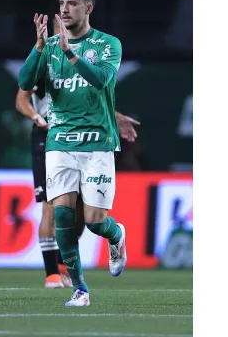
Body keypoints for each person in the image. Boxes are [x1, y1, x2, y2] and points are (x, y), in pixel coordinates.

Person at [19, 0, 128, 307]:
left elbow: (101, 80)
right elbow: (25, 82)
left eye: (73, 3)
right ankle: (80, 288)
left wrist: (70, 52)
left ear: (88, 8)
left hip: (97, 144)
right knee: (62, 216)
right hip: (59, 142)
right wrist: (39, 47)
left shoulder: (108, 44)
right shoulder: (50, 46)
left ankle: (116, 234)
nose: (64, 9)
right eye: (62, 3)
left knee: (94, 222)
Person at [15, 82, 140, 289]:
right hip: (48, 133)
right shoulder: (43, 59)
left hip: (83, 132)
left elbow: (92, 98)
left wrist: (116, 118)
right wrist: (36, 117)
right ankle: (52, 275)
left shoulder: (81, 62)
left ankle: (64, 263)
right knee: (51, 204)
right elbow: (22, 98)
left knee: (83, 211)